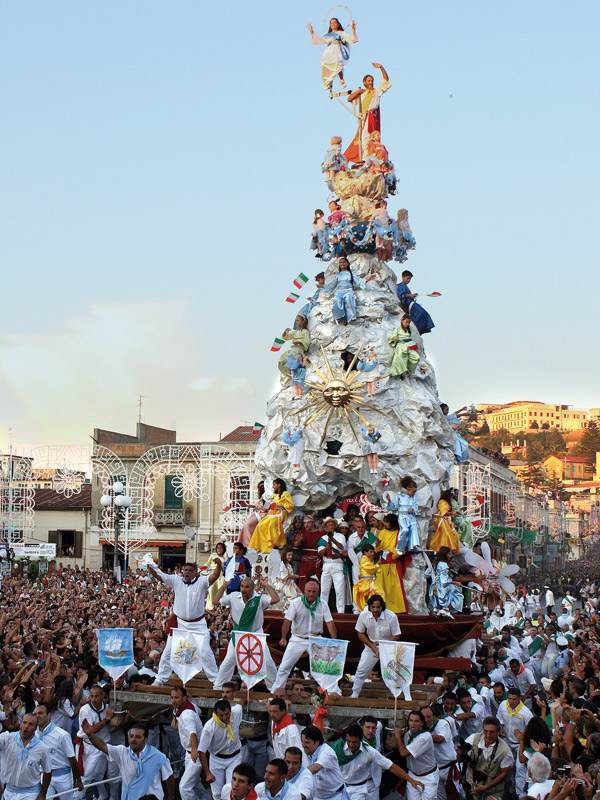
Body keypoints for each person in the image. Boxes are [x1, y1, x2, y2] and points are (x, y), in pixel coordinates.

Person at [145, 558, 222, 684]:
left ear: (196, 573)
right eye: (185, 570)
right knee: (168, 652)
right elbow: (159, 575)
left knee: (205, 652)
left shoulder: (202, 582)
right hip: (180, 624)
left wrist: (219, 565)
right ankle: (160, 680)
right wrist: (150, 566)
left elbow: (214, 576)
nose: (186, 572)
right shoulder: (176, 580)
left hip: (198, 624)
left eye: (190, 570)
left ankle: (215, 682)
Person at [213, 576, 279, 690]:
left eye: (247, 587)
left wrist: (267, 585)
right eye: (242, 587)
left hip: (255, 635)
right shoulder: (233, 596)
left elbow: (275, 599)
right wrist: (224, 585)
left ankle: (274, 690)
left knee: (268, 662)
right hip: (239, 635)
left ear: (253, 588)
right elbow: (215, 601)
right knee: (228, 661)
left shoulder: (259, 598)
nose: (243, 589)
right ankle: (218, 688)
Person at [81, 718, 174, 800]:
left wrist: (171, 797)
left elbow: (169, 776)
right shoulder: (122, 752)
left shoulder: (158, 756)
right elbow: (103, 746)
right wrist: (91, 735)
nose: (133, 739)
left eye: (138, 737)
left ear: (146, 740)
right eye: (131, 736)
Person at [272, 581, 338, 693]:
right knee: (284, 667)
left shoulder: (322, 604)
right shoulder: (296, 603)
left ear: (318, 592)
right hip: (298, 639)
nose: (311, 594)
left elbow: (330, 623)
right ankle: (276, 692)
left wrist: (335, 641)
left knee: (325, 668)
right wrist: (283, 637)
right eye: (309, 591)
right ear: (304, 591)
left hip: (316, 638)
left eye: (314, 591)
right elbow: (287, 621)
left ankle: (333, 692)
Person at [335, 724, 421, 800]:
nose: (351, 745)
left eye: (354, 742)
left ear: (361, 740)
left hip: (359, 790)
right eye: (349, 741)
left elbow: (390, 766)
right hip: (341, 788)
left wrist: (411, 780)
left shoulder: (370, 752)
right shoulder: (337, 750)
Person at [351, 594, 400, 698]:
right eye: (373, 607)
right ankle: (354, 694)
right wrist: (372, 646)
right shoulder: (364, 615)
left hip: (389, 646)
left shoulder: (391, 616)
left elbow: (396, 634)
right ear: (369, 607)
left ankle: (396, 695)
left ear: (382, 606)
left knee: (394, 672)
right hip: (371, 645)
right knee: (361, 670)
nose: (376, 609)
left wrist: (384, 648)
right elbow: (360, 633)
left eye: (378, 607)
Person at [74, 684, 115, 800]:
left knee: (98, 775)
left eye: (97, 696)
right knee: (86, 775)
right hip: (89, 744)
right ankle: (77, 797)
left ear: (103, 696)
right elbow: (91, 731)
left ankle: (103, 794)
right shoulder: (85, 709)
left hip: (104, 745)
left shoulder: (108, 708)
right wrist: (107, 720)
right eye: (91, 696)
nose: (93, 699)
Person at [35, 704, 83, 800]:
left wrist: (78, 779)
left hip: (63, 776)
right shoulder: (34, 735)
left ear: (49, 715)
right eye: (35, 714)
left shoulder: (62, 735)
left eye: (40, 713)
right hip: (44, 775)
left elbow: (72, 759)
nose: (37, 716)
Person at [345, 64, 391, 163]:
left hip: (371, 116)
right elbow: (349, 99)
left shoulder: (376, 91)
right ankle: (363, 156)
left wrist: (381, 67)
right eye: (369, 81)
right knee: (362, 136)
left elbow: (385, 80)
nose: (371, 82)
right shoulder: (362, 93)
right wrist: (358, 92)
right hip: (364, 117)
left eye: (372, 81)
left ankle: (367, 156)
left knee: (368, 136)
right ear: (364, 82)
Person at [199, 700, 244, 800]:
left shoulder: (236, 712)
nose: (224, 718)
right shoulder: (209, 727)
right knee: (217, 793)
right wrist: (207, 773)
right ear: (215, 714)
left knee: (231, 790)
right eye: (221, 715)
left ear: (230, 711)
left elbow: (241, 703)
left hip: (234, 757)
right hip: (217, 759)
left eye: (227, 714)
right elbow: (201, 751)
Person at [0, 714, 51, 800]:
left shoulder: (42, 748)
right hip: (9, 792)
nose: (26, 726)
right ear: (20, 724)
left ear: (35, 728)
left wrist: (43, 793)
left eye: (31, 724)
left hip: (30, 793)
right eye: (24, 723)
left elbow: (48, 772)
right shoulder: (7, 738)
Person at [394, 711, 439, 800]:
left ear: (422, 723)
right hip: (413, 775)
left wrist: (398, 736)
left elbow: (403, 753)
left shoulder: (425, 737)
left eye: (416, 721)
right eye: (411, 721)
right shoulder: (407, 734)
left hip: (428, 776)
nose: (413, 724)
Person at [465, 716, 513, 800]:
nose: (488, 735)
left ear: (498, 732)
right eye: (485, 731)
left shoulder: (505, 751)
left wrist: (485, 787)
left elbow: (504, 774)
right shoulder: (473, 739)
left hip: (493, 792)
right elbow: (460, 758)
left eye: (492, 732)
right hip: (473, 789)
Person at [171, 686, 203, 800]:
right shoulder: (190, 706)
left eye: (177, 698)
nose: (174, 701)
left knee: (184, 787)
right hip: (189, 752)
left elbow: (192, 734)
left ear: (184, 699)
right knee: (196, 785)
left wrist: (194, 751)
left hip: (195, 754)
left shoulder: (186, 715)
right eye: (172, 698)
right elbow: (199, 711)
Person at [308, 18, 358, 92]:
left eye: (334, 23)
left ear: (338, 24)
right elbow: (320, 40)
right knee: (326, 65)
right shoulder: (328, 35)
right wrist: (312, 32)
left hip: (338, 49)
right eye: (331, 23)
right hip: (330, 51)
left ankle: (341, 79)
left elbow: (350, 38)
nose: (333, 24)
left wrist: (353, 30)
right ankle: (328, 82)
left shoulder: (342, 33)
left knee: (338, 64)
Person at [374, 514, 409, 613]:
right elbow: (377, 549)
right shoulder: (382, 532)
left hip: (393, 563)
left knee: (394, 588)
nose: (385, 524)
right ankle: (382, 608)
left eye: (387, 521)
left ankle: (397, 609)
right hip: (383, 563)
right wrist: (377, 545)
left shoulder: (399, 533)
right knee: (382, 587)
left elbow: (402, 548)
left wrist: (392, 554)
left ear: (392, 522)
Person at [325, 256, 375, 325]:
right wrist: (325, 287)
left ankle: (350, 318)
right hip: (339, 291)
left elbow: (358, 281)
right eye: (340, 262)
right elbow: (332, 285)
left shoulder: (351, 273)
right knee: (337, 301)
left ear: (347, 263)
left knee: (349, 299)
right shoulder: (337, 275)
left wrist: (368, 279)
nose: (342, 264)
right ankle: (339, 317)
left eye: (344, 262)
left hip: (348, 290)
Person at [249, 479, 294, 552]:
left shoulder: (286, 494)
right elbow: (273, 505)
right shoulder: (275, 495)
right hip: (272, 513)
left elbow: (290, 505)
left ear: (279, 485)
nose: (273, 487)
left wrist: (281, 505)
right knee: (260, 525)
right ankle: (260, 546)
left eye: (274, 484)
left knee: (271, 526)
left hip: (280, 514)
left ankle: (274, 544)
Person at [301, 726, 345, 800]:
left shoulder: (327, 752)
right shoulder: (304, 752)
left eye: (307, 742)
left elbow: (316, 767)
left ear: (317, 743)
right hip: (317, 797)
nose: (303, 745)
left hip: (336, 796)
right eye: (302, 741)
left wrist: (297, 775)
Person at [422, 706, 455, 800]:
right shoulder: (420, 728)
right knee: (440, 798)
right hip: (433, 770)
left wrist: (420, 736)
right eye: (423, 717)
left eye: (429, 717)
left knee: (454, 795)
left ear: (434, 717)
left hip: (448, 767)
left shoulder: (442, 724)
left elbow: (440, 739)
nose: (426, 720)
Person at [318, 518, 348, 613]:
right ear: (326, 527)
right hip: (327, 565)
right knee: (324, 591)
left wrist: (332, 540)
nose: (330, 526)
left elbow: (342, 547)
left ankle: (340, 612)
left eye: (332, 524)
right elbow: (320, 553)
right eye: (328, 525)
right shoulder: (322, 538)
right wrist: (326, 548)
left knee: (339, 590)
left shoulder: (340, 536)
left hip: (337, 564)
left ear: (334, 526)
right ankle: (323, 611)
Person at [429, 547, 464, 619]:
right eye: (449, 554)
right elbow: (444, 580)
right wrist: (455, 583)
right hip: (441, 587)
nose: (451, 555)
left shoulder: (435, 563)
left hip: (434, 585)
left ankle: (437, 610)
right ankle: (445, 609)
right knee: (458, 596)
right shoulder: (444, 565)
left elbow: (427, 573)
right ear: (445, 554)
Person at [277, 316, 310, 384]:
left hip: (299, 349)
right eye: (296, 321)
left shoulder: (305, 332)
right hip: (293, 349)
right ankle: (287, 374)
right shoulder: (295, 332)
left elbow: (307, 342)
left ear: (303, 321)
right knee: (281, 360)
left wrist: (299, 342)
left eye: (298, 320)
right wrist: (285, 332)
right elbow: (286, 337)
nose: (297, 322)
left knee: (294, 357)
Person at [352, 543, 383, 612]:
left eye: (373, 552)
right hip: (367, 582)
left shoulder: (367, 560)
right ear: (365, 552)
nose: (373, 553)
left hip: (369, 581)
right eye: (371, 552)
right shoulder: (365, 561)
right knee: (380, 594)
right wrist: (377, 564)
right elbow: (372, 569)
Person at [296, 516, 323, 591]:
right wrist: (298, 541)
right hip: (304, 563)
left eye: (308, 522)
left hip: (316, 563)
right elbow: (296, 545)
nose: (306, 525)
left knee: (316, 582)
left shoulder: (321, 533)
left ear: (313, 523)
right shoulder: (301, 532)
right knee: (303, 582)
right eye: (305, 523)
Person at [395, 476, 420, 552]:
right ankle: (400, 547)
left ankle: (414, 545)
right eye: (413, 492)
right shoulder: (400, 497)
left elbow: (416, 506)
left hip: (411, 517)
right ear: (408, 489)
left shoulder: (413, 498)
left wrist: (412, 509)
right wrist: (390, 501)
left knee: (413, 529)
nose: (413, 494)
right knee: (405, 530)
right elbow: (394, 506)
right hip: (403, 516)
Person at [239, 484, 267, 548]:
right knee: (246, 526)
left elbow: (266, 508)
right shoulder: (263, 497)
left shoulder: (266, 497)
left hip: (262, 514)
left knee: (248, 525)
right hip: (258, 513)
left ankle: (250, 543)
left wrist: (257, 508)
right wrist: (254, 506)